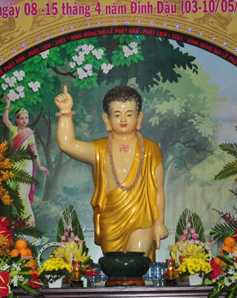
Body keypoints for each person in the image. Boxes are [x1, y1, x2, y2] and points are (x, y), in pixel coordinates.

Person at [54, 85, 168, 259]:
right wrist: (65, 112)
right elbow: (67, 144)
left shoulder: (151, 149)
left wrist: (159, 222)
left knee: (137, 263)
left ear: (139, 118)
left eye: (129, 114)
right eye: (117, 115)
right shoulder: (99, 149)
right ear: (106, 119)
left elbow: (158, 189)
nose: (123, 119)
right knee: (115, 267)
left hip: (142, 217)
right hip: (110, 220)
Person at [4, 96, 49, 226]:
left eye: (26, 118)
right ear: (17, 120)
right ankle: (15, 223)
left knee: (22, 195)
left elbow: (34, 150)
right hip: (13, 164)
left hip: (26, 164)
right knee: (11, 193)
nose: (25, 121)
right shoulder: (13, 130)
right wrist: (8, 104)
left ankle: (30, 224)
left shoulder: (29, 133)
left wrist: (39, 166)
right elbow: (5, 119)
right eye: (22, 118)